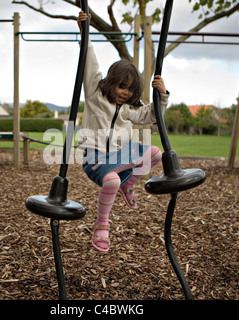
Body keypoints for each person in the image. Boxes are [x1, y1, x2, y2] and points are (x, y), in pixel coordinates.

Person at [77, 11, 169, 252]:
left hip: (121, 152)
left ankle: (129, 184)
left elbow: (150, 115)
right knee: (111, 180)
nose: (125, 93)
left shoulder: (129, 108)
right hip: (94, 154)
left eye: (130, 90)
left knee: (156, 154)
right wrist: (85, 33)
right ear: (111, 81)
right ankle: (102, 225)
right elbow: (89, 61)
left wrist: (162, 96)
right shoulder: (95, 93)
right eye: (122, 86)